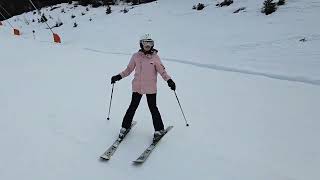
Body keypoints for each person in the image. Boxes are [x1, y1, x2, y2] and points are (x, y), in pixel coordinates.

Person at [111, 34, 176, 141]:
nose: (148, 45)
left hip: (150, 88)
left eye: (150, 43)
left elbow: (162, 72)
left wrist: (169, 81)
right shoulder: (136, 56)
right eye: (145, 43)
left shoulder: (155, 57)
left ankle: (159, 129)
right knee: (132, 106)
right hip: (138, 86)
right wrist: (118, 76)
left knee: (153, 108)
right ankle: (125, 126)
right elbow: (128, 70)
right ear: (141, 44)